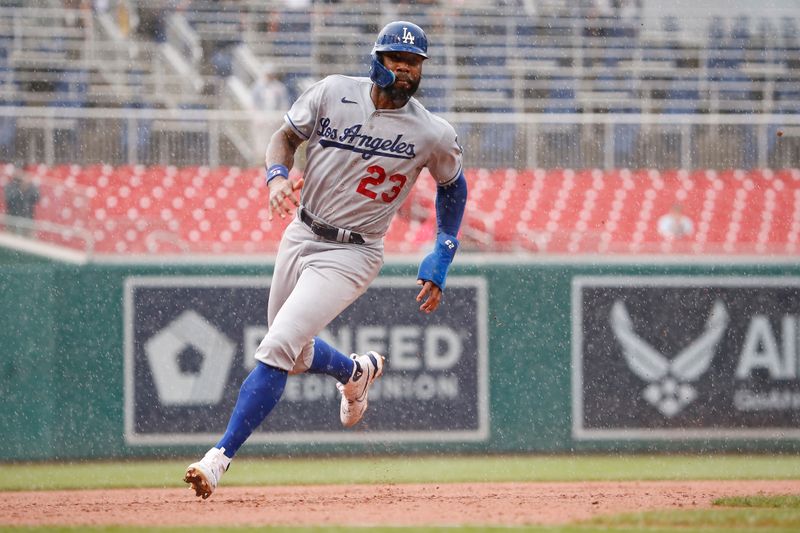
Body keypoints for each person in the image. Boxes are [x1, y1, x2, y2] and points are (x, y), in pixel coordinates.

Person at [184, 20, 468, 499]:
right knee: (293, 356)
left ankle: (218, 459)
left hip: (353, 252)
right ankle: (354, 372)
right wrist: (277, 177)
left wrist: (442, 254)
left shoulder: (431, 132)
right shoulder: (333, 92)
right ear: (376, 60)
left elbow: (453, 188)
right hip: (301, 231)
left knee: (275, 349)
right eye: (396, 58)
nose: (405, 68)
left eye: (414, 62)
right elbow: (284, 138)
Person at [250, 63, 291, 164]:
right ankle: (260, 163)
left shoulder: (279, 88)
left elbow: (284, 104)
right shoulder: (257, 87)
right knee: (260, 146)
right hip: (262, 122)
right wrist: (258, 117)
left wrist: (280, 118)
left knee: (275, 144)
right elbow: (253, 105)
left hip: (275, 122)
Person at [3, 169, 40, 237]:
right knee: (10, 237)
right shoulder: (11, 185)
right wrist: (20, 189)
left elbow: (37, 198)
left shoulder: (30, 187)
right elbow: (9, 198)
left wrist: (28, 185)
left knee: (27, 240)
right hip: (12, 218)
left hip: (27, 218)